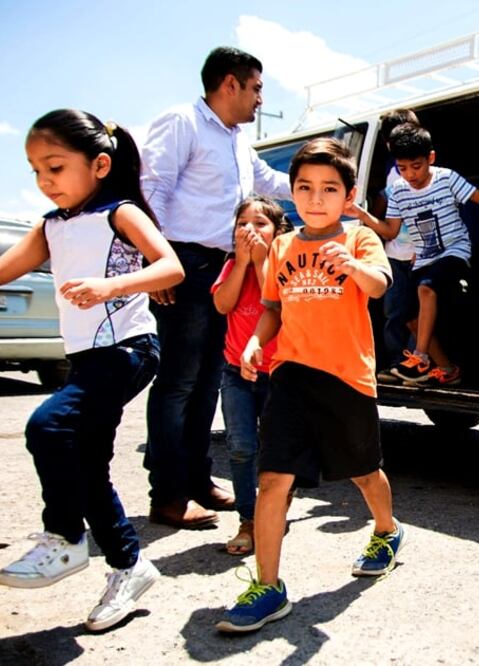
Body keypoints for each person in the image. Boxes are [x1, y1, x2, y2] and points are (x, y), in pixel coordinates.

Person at [0, 109, 184, 631]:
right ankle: (130, 568)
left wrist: (109, 286)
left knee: (49, 425)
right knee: (87, 466)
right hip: (89, 357)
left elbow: (170, 267)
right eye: (36, 171)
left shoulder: (121, 213)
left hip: (128, 348)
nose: (45, 182)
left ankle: (64, 537)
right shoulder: (51, 226)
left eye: (56, 167)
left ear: (100, 164)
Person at [216, 138, 401, 633]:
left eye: (328, 189)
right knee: (273, 479)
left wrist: (354, 267)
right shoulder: (280, 245)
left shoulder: (360, 237)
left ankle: (386, 530)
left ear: (348, 194)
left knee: (364, 473)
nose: (315, 198)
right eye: (304, 188)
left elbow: (380, 284)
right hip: (291, 375)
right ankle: (269, 587)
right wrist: (257, 342)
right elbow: (273, 308)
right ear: (292, 193)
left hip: (347, 377)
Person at [140, 46, 292, 530]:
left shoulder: (237, 142)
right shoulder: (182, 121)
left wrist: (328, 188)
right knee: (180, 381)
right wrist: (155, 260)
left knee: (209, 381)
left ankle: (196, 479)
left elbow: (269, 182)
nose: (260, 101)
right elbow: (153, 187)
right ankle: (166, 494)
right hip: (183, 262)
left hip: (228, 266)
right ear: (231, 84)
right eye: (257, 89)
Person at [348, 124, 479, 386]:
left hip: (455, 252)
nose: (411, 174)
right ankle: (447, 369)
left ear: (430, 159)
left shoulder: (447, 178)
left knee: (426, 289)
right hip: (424, 258)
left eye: (416, 166)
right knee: (411, 320)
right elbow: (391, 231)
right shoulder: (399, 190)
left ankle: (420, 357)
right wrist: (363, 215)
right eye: (403, 168)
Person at [210, 195, 293, 555]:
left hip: (278, 373)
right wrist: (243, 262)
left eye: (260, 224)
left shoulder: (283, 264)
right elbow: (223, 304)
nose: (250, 230)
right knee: (241, 446)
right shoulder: (231, 266)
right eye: (243, 223)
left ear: (277, 231)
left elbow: (274, 304)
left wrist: (261, 261)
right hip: (235, 371)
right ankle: (248, 519)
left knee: (278, 449)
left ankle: (274, 510)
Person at [367, 109, 420, 384]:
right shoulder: (392, 173)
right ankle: (398, 363)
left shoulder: (420, 170)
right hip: (395, 254)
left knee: (414, 313)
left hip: (416, 253)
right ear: (389, 144)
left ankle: (413, 363)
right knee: (395, 312)